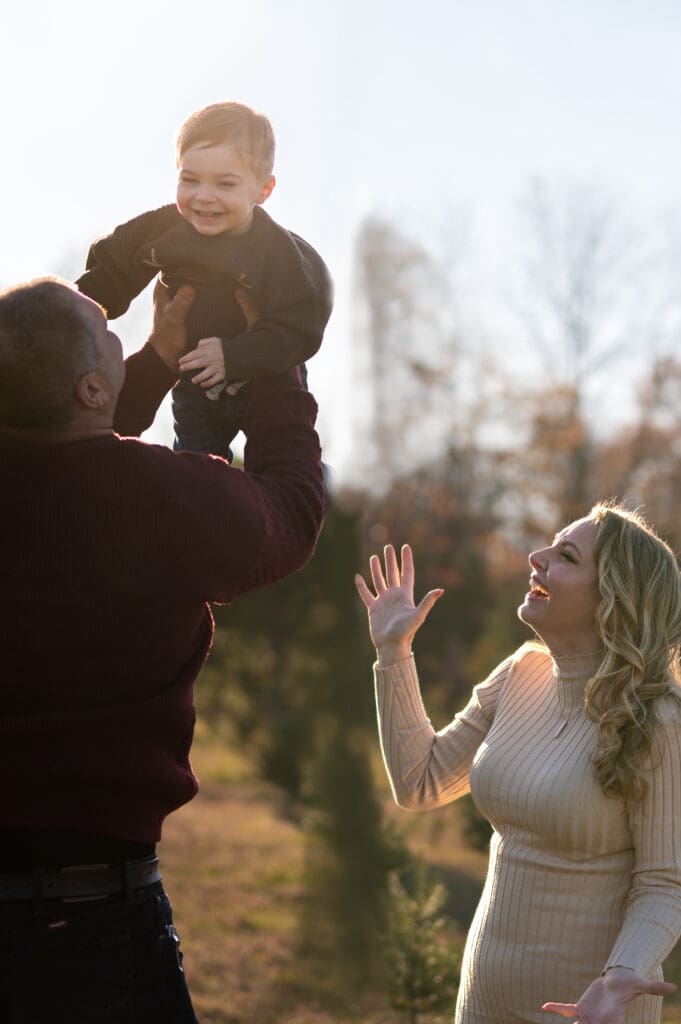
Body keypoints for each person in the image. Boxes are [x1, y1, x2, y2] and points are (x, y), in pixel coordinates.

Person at [0, 274, 325, 1022]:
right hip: (89, 927)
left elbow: (67, 453)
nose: (121, 332)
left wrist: (148, 362)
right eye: (108, 333)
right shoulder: (159, 497)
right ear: (89, 389)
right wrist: (275, 361)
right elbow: (291, 511)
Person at [355, 505, 681, 1024]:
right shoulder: (519, 672)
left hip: (592, 1011)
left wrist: (622, 972)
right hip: (484, 999)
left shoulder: (657, 717)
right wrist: (394, 651)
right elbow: (421, 782)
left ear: (613, 597)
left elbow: (665, 882)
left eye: (566, 556)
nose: (537, 557)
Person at [77, 100, 333, 461]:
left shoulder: (278, 251)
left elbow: (302, 322)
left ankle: (314, 479)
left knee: (279, 457)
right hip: (197, 379)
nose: (204, 196)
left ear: (263, 190)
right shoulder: (162, 230)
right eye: (190, 179)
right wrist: (77, 309)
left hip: (262, 373)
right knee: (196, 470)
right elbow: (116, 268)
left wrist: (236, 355)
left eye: (225, 184)